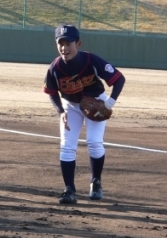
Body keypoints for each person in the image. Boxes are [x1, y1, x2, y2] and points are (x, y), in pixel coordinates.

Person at [43, 24, 126, 204]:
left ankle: (96, 182)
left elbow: (119, 79)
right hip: (70, 106)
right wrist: (61, 111)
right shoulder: (55, 68)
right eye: (60, 44)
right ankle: (69, 189)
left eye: (68, 43)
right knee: (67, 146)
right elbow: (51, 92)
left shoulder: (91, 60)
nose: (64, 48)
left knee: (94, 142)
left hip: (96, 103)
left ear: (78, 44)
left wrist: (109, 103)